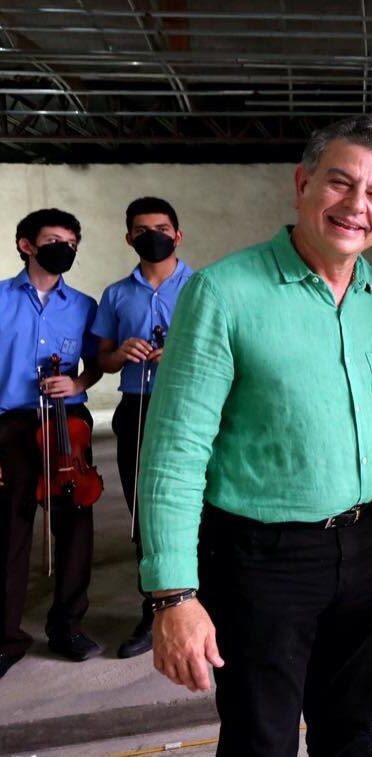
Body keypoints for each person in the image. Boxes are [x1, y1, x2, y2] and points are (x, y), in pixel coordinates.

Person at [137, 116, 372, 756]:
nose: (356, 205)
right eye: (340, 183)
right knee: (260, 741)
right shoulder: (223, 292)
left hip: (366, 548)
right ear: (302, 184)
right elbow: (173, 453)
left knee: (351, 734)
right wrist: (173, 595)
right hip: (260, 561)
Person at [1, 208, 103, 679]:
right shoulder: (1, 299)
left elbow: (96, 363)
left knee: (75, 527)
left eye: (72, 242)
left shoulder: (83, 305)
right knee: (10, 531)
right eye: (54, 240)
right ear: (27, 245)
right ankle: (7, 637)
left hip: (67, 424)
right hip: (12, 426)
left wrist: (77, 384)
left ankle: (67, 626)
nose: (65, 248)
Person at [92, 197, 193, 659]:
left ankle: (206, 604)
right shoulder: (116, 294)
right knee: (143, 514)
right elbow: (102, 359)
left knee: (199, 507)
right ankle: (154, 610)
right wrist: (120, 354)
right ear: (129, 237)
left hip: (190, 406)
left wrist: (179, 353)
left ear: (178, 235)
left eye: (162, 228)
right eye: (142, 229)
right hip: (136, 405)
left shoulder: (201, 286)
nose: (152, 236)